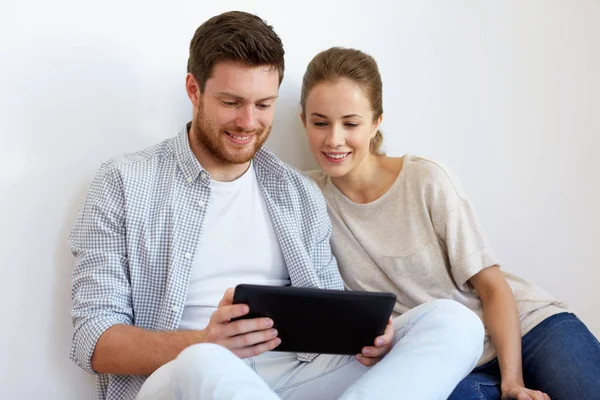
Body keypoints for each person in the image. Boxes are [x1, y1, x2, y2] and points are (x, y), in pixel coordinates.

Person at [69, 11, 485, 400]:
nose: (248, 122)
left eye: (264, 105)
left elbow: (328, 305)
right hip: (186, 374)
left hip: (293, 375)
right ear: (194, 90)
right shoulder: (123, 182)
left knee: (454, 322)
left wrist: (365, 339)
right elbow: (92, 338)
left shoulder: (296, 192)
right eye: (231, 103)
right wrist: (204, 341)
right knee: (206, 361)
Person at [301, 46, 600, 400]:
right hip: (447, 357)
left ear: (376, 123)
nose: (334, 139)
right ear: (303, 120)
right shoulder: (305, 198)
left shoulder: (426, 179)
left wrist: (513, 383)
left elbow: (492, 287)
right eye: (320, 123)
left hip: (526, 328)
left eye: (350, 123)